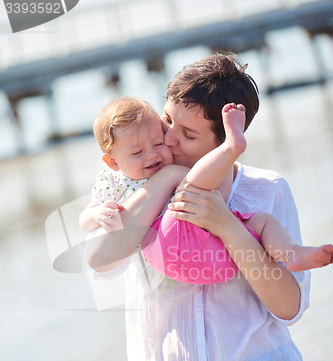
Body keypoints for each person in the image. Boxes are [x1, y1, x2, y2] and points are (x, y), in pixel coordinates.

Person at [84, 53, 326, 361]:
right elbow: (99, 258)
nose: (167, 140)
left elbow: (289, 308)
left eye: (188, 134)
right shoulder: (135, 181)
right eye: (168, 120)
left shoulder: (265, 190)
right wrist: (168, 179)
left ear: (222, 141)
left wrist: (228, 226)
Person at [80, 97, 333, 285]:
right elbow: (86, 222)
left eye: (158, 142)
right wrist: (97, 214)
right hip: (165, 246)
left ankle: (292, 253)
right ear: (112, 162)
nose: (153, 154)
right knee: (198, 185)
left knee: (262, 222)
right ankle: (231, 147)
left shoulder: (171, 167)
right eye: (137, 152)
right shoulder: (111, 182)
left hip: (210, 249)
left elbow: (215, 194)